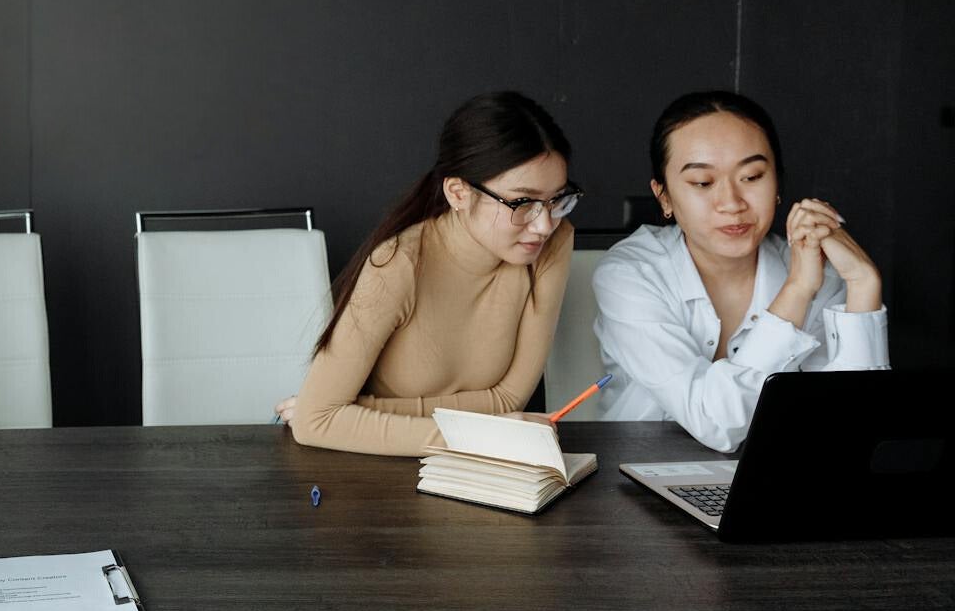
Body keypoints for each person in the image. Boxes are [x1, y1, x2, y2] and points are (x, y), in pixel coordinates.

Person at [274, 91, 578, 455]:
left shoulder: (553, 243)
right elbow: (317, 423)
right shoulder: (397, 265)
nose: (544, 224)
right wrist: (485, 435)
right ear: (458, 193)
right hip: (371, 475)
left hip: (467, 471)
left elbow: (509, 398)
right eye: (522, 202)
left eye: (556, 199)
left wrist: (362, 413)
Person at [591, 90, 888, 450]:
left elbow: (853, 428)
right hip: (631, 481)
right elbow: (715, 422)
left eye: (752, 176)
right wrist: (795, 291)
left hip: (771, 484)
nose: (731, 203)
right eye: (703, 182)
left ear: (777, 182)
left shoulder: (816, 272)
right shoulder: (630, 275)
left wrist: (863, 284)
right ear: (664, 197)